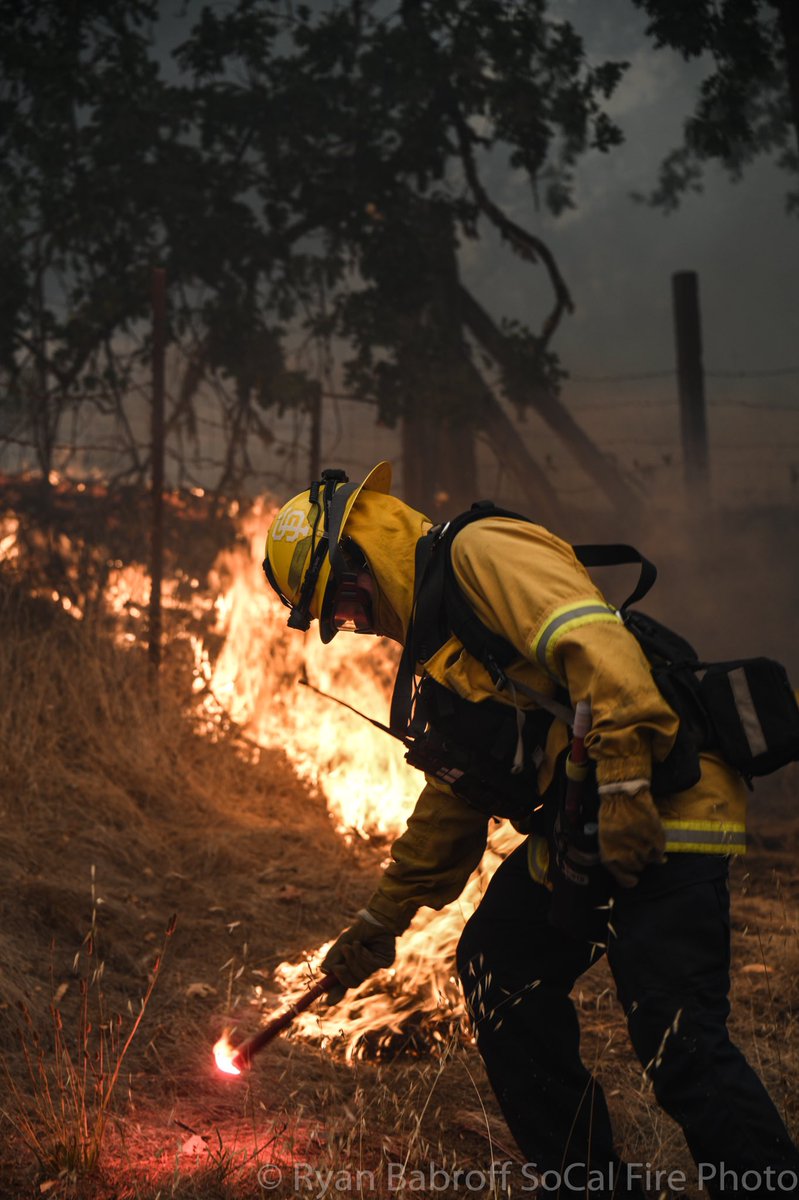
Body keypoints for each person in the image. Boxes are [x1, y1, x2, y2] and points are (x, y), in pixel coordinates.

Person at [263, 462, 799, 1199]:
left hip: (664, 805)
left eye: (344, 604)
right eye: (340, 621)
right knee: (498, 963)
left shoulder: (483, 555)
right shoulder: (440, 648)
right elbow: (454, 804)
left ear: (359, 551)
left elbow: (599, 654)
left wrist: (626, 790)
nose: (355, 625)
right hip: (583, 826)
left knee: (681, 1049)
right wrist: (377, 922)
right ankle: (589, 1185)